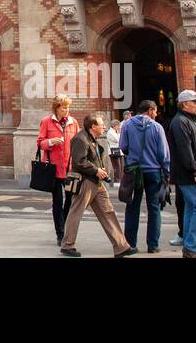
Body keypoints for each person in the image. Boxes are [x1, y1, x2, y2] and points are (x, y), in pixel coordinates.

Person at [60, 113, 135, 258]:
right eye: (101, 125)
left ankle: (121, 247)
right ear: (93, 126)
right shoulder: (80, 139)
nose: (104, 127)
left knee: (108, 212)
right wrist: (96, 170)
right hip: (85, 182)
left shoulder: (91, 138)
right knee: (76, 212)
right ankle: (67, 245)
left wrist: (100, 170)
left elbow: (92, 158)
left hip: (97, 182)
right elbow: (79, 162)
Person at [166, 90, 196, 258]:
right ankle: (193, 247)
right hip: (188, 175)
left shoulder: (187, 121)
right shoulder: (180, 122)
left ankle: (190, 247)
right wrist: (195, 172)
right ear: (185, 104)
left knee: (192, 208)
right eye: (195, 102)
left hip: (189, 173)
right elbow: (184, 149)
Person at [119, 100, 169, 253]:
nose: (156, 114)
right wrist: (167, 172)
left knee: (132, 207)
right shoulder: (157, 127)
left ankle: (130, 244)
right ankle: (153, 245)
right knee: (154, 208)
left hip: (135, 171)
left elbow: (123, 147)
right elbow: (163, 153)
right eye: (155, 111)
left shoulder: (127, 125)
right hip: (153, 171)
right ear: (150, 110)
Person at [36, 95, 78, 244]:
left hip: (70, 169)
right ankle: (60, 234)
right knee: (57, 201)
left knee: (70, 201)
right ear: (56, 108)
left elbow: (78, 143)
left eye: (68, 107)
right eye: (63, 107)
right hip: (53, 169)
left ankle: (65, 227)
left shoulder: (73, 122)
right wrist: (50, 142)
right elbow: (40, 143)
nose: (66, 110)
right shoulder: (47, 121)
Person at [106, 119, 123, 185]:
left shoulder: (115, 132)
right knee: (117, 167)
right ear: (114, 126)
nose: (119, 127)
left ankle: (120, 181)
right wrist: (119, 133)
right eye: (118, 126)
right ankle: (117, 182)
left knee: (121, 167)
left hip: (119, 151)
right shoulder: (110, 132)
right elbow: (118, 140)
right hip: (113, 152)